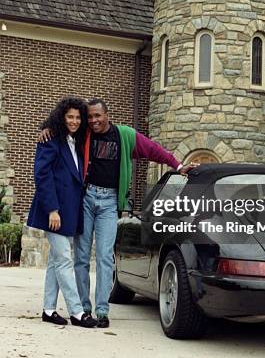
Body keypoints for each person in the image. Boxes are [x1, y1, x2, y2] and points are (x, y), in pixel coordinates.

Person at [41, 97, 196, 328]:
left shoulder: (124, 136)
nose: (93, 120)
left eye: (97, 116)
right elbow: (63, 124)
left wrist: (178, 166)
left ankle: (102, 311)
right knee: (81, 257)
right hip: (86, 198)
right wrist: (45, 129)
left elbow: (155, 150)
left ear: (107, 115)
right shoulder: (84, 133)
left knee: (104, 257)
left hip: (110, 202)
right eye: (90, 117)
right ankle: (84, 309)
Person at [28, 98, 97, 328]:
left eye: (78, 117)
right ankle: (77, 312)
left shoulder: (75, 142)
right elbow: (42, 175)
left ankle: (48, 309)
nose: (74, 121)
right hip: (55, 212)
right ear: (61, 117)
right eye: (70, 117)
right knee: (65, 259)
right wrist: (52, 210)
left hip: (70, 212)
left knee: (56, 261)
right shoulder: (50, 140)